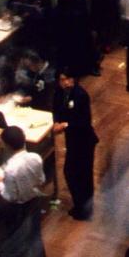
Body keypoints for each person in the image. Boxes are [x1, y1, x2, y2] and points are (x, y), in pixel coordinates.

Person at [53, 68, 97, 219]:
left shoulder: (80, 95)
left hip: (84, 140)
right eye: (62, 79)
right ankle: (81, 205)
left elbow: (84, 121)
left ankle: (85, 208)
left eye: (68, 79)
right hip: (72, 140)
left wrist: (65, 125)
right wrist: (56, 121)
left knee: (82, 175)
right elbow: (57, 109)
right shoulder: (60, 93)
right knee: (72, 172)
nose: (66, 82)